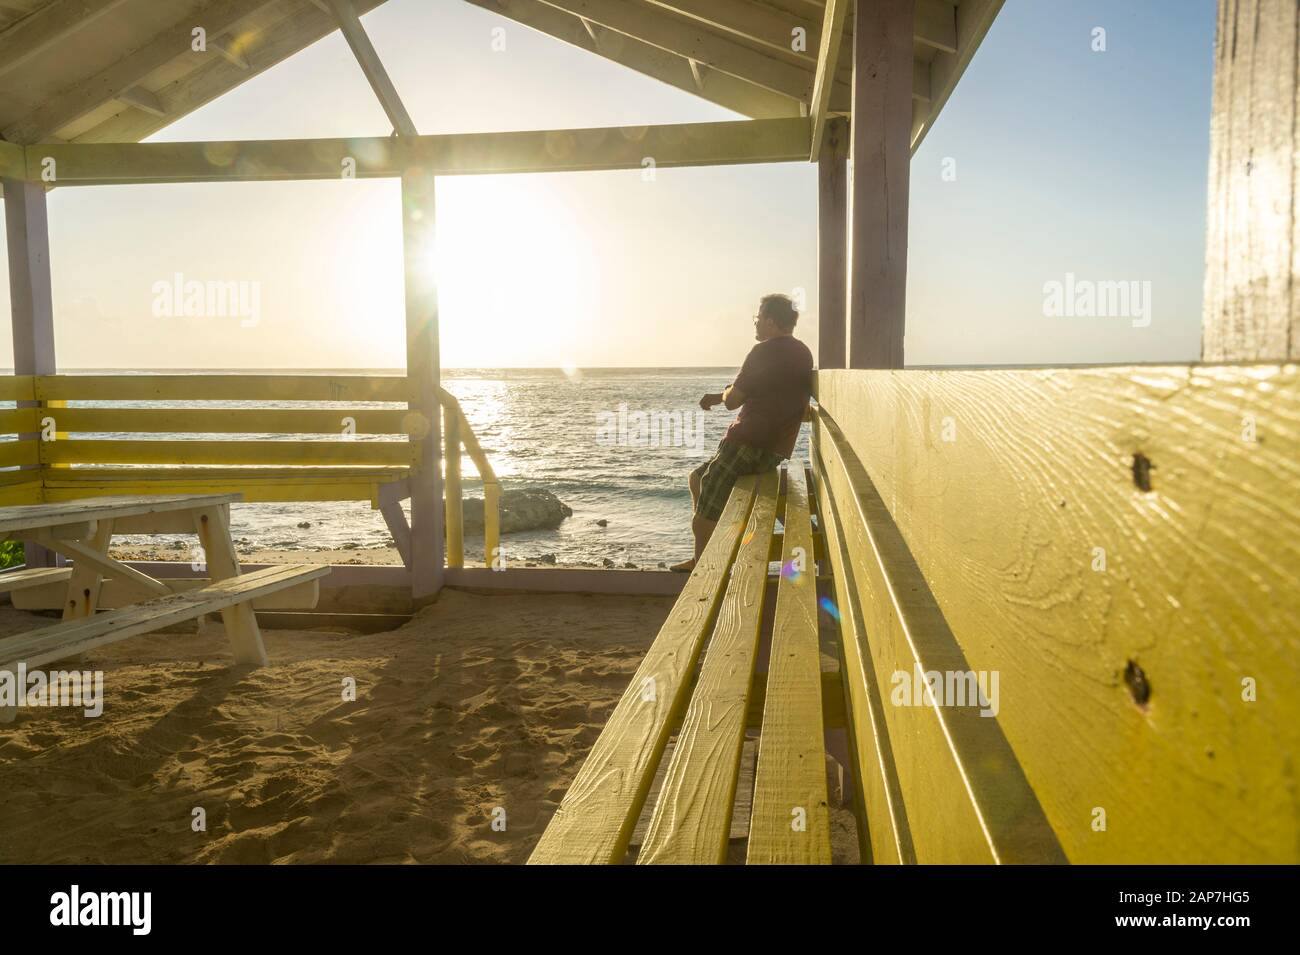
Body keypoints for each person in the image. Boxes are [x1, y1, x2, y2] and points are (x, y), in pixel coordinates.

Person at [671, 293, 813, 573]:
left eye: (758, 318)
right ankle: (711, 547)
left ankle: (704, 567)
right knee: (697, 477)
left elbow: (734, 400)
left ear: (771, 321)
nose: (756, 324)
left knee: (705, 504)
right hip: (774, 450)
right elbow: (768, 389)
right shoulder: (802, 352)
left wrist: (724, 395)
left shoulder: (762, 351)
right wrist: (719, 395)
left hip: (747, 443)